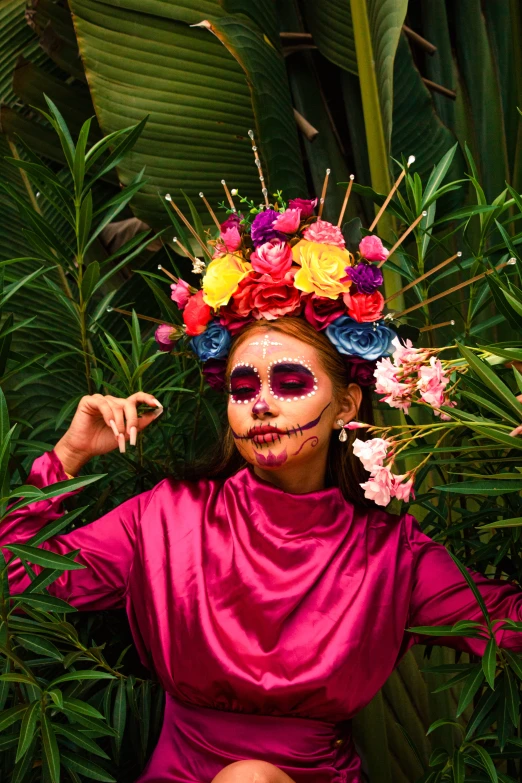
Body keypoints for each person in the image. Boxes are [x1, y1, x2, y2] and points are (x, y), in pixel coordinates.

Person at [2, 316, 522, 783]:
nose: (261, 404)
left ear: (345, 405)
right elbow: (17, 585)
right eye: (242, 386)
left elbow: (510, 626)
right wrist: (66, 456)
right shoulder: (164, 517)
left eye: (291, 382)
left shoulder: (392, 555)